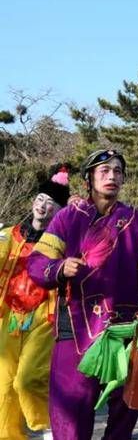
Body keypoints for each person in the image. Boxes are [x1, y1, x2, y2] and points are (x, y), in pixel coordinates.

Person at [27, 150, 138, 440]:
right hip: (76, 324)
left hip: (125, 325)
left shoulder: (137, 221)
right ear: (89, 178)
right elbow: (37, 264)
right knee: (72, 407)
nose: (112, 176)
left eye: (117, 171)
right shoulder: (67, 218)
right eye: (104, 171)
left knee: (129, 403)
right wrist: (60, 267)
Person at [0, 166, 69, 440]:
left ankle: (48, 428)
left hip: (43, 316)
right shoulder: (10, 234)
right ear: (33, 202)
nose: (43, 206)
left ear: (59, 211)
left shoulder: (61, 241)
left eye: (51, 203)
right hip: (9, 316)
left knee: (27, 380)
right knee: (4, 386)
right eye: (40, 199)